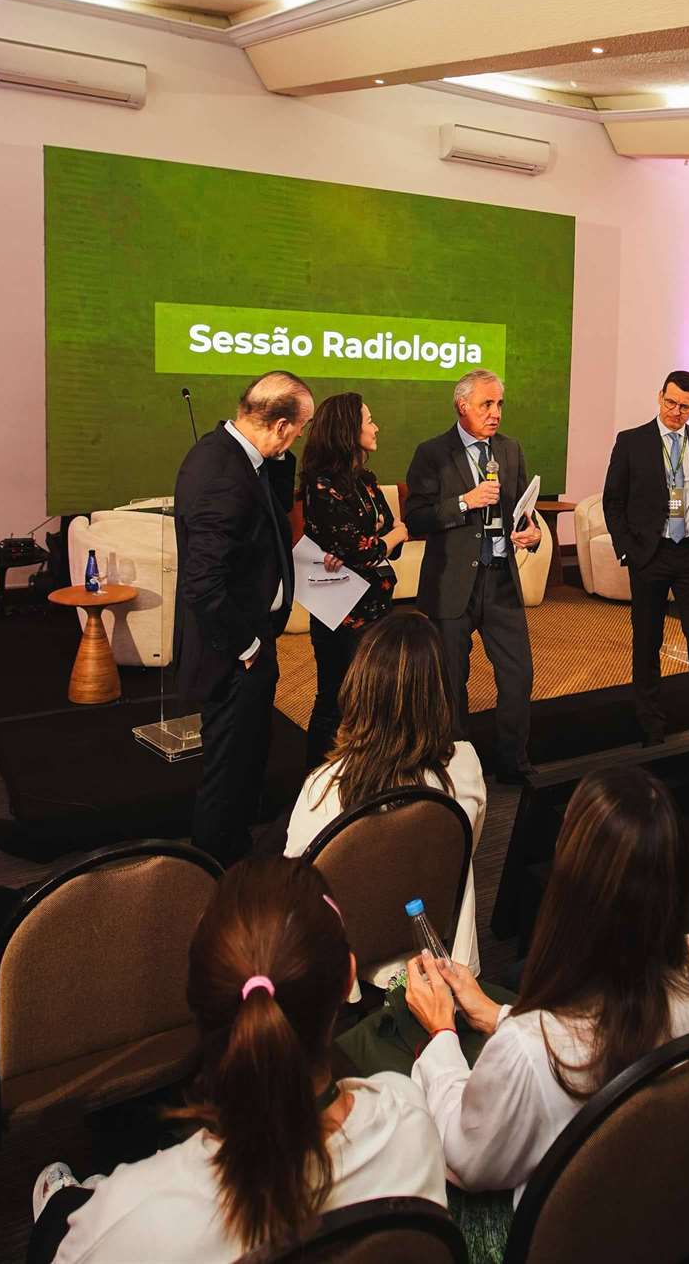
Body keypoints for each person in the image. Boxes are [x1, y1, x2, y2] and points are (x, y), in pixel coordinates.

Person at [29, 857, 446, 1264]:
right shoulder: (410, 1119)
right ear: (348, 979)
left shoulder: (128, 1218)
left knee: (59, 1212)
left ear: (198, 999)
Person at [406, 766, 689, 1207]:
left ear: (570, 881)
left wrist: (442, 1032)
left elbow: (467, 1162)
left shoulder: (530, 1048)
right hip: (658, 1205)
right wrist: (496, 1014)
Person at [285, 609, 487, 988]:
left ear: (358, 686)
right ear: (440, 693)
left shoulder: (324, 787)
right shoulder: (465, 765)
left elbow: (299, 897)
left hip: (349, 964)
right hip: (440, 955)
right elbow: (462, 851)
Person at [174, 371, 314, 866]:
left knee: (247, 760)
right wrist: (248, 648)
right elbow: (202, 583)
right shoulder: (223, 473)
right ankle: (214, 870)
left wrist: (277, 458)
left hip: (251, 637)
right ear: (280, 425)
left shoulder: (241, 457)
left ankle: (237, 853)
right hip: (233, 651)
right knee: (228, 770)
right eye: (299, 429)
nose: (298, 438)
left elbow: (270, 519)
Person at [405, 369, 540, 783]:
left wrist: (532, 533)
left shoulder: (510, 449)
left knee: (518, 676)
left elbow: (523, 510)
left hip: (501, 581)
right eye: (487, 404)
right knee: (451, 683)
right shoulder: (432, 453)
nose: (495, 412)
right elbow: (416, 517)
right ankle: (456, 769)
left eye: (499, 404)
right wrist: (464, 502)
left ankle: (513, 764)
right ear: (462, 406)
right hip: (452, 585)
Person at [602, 370, 689, 741]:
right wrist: (628, 549)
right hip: (650, 556)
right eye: (670, 402)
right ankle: (651, 727)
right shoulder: (631, 442)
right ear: (660, 396)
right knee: (647, 642)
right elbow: (613, 501)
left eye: (684, 407)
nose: (675, 411)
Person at [297, 392, 409, 768]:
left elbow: (384, 541)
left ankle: (364, 776)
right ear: (348, 430)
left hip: (377, 605)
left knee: (373, 700)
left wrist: (381, 542)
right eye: (369, 420)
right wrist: (384, 539)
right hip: (340, 611)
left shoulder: (367, 480)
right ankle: (318, 781)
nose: (376, 427)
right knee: (336, 699)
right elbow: (366, 548)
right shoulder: (321, 486)